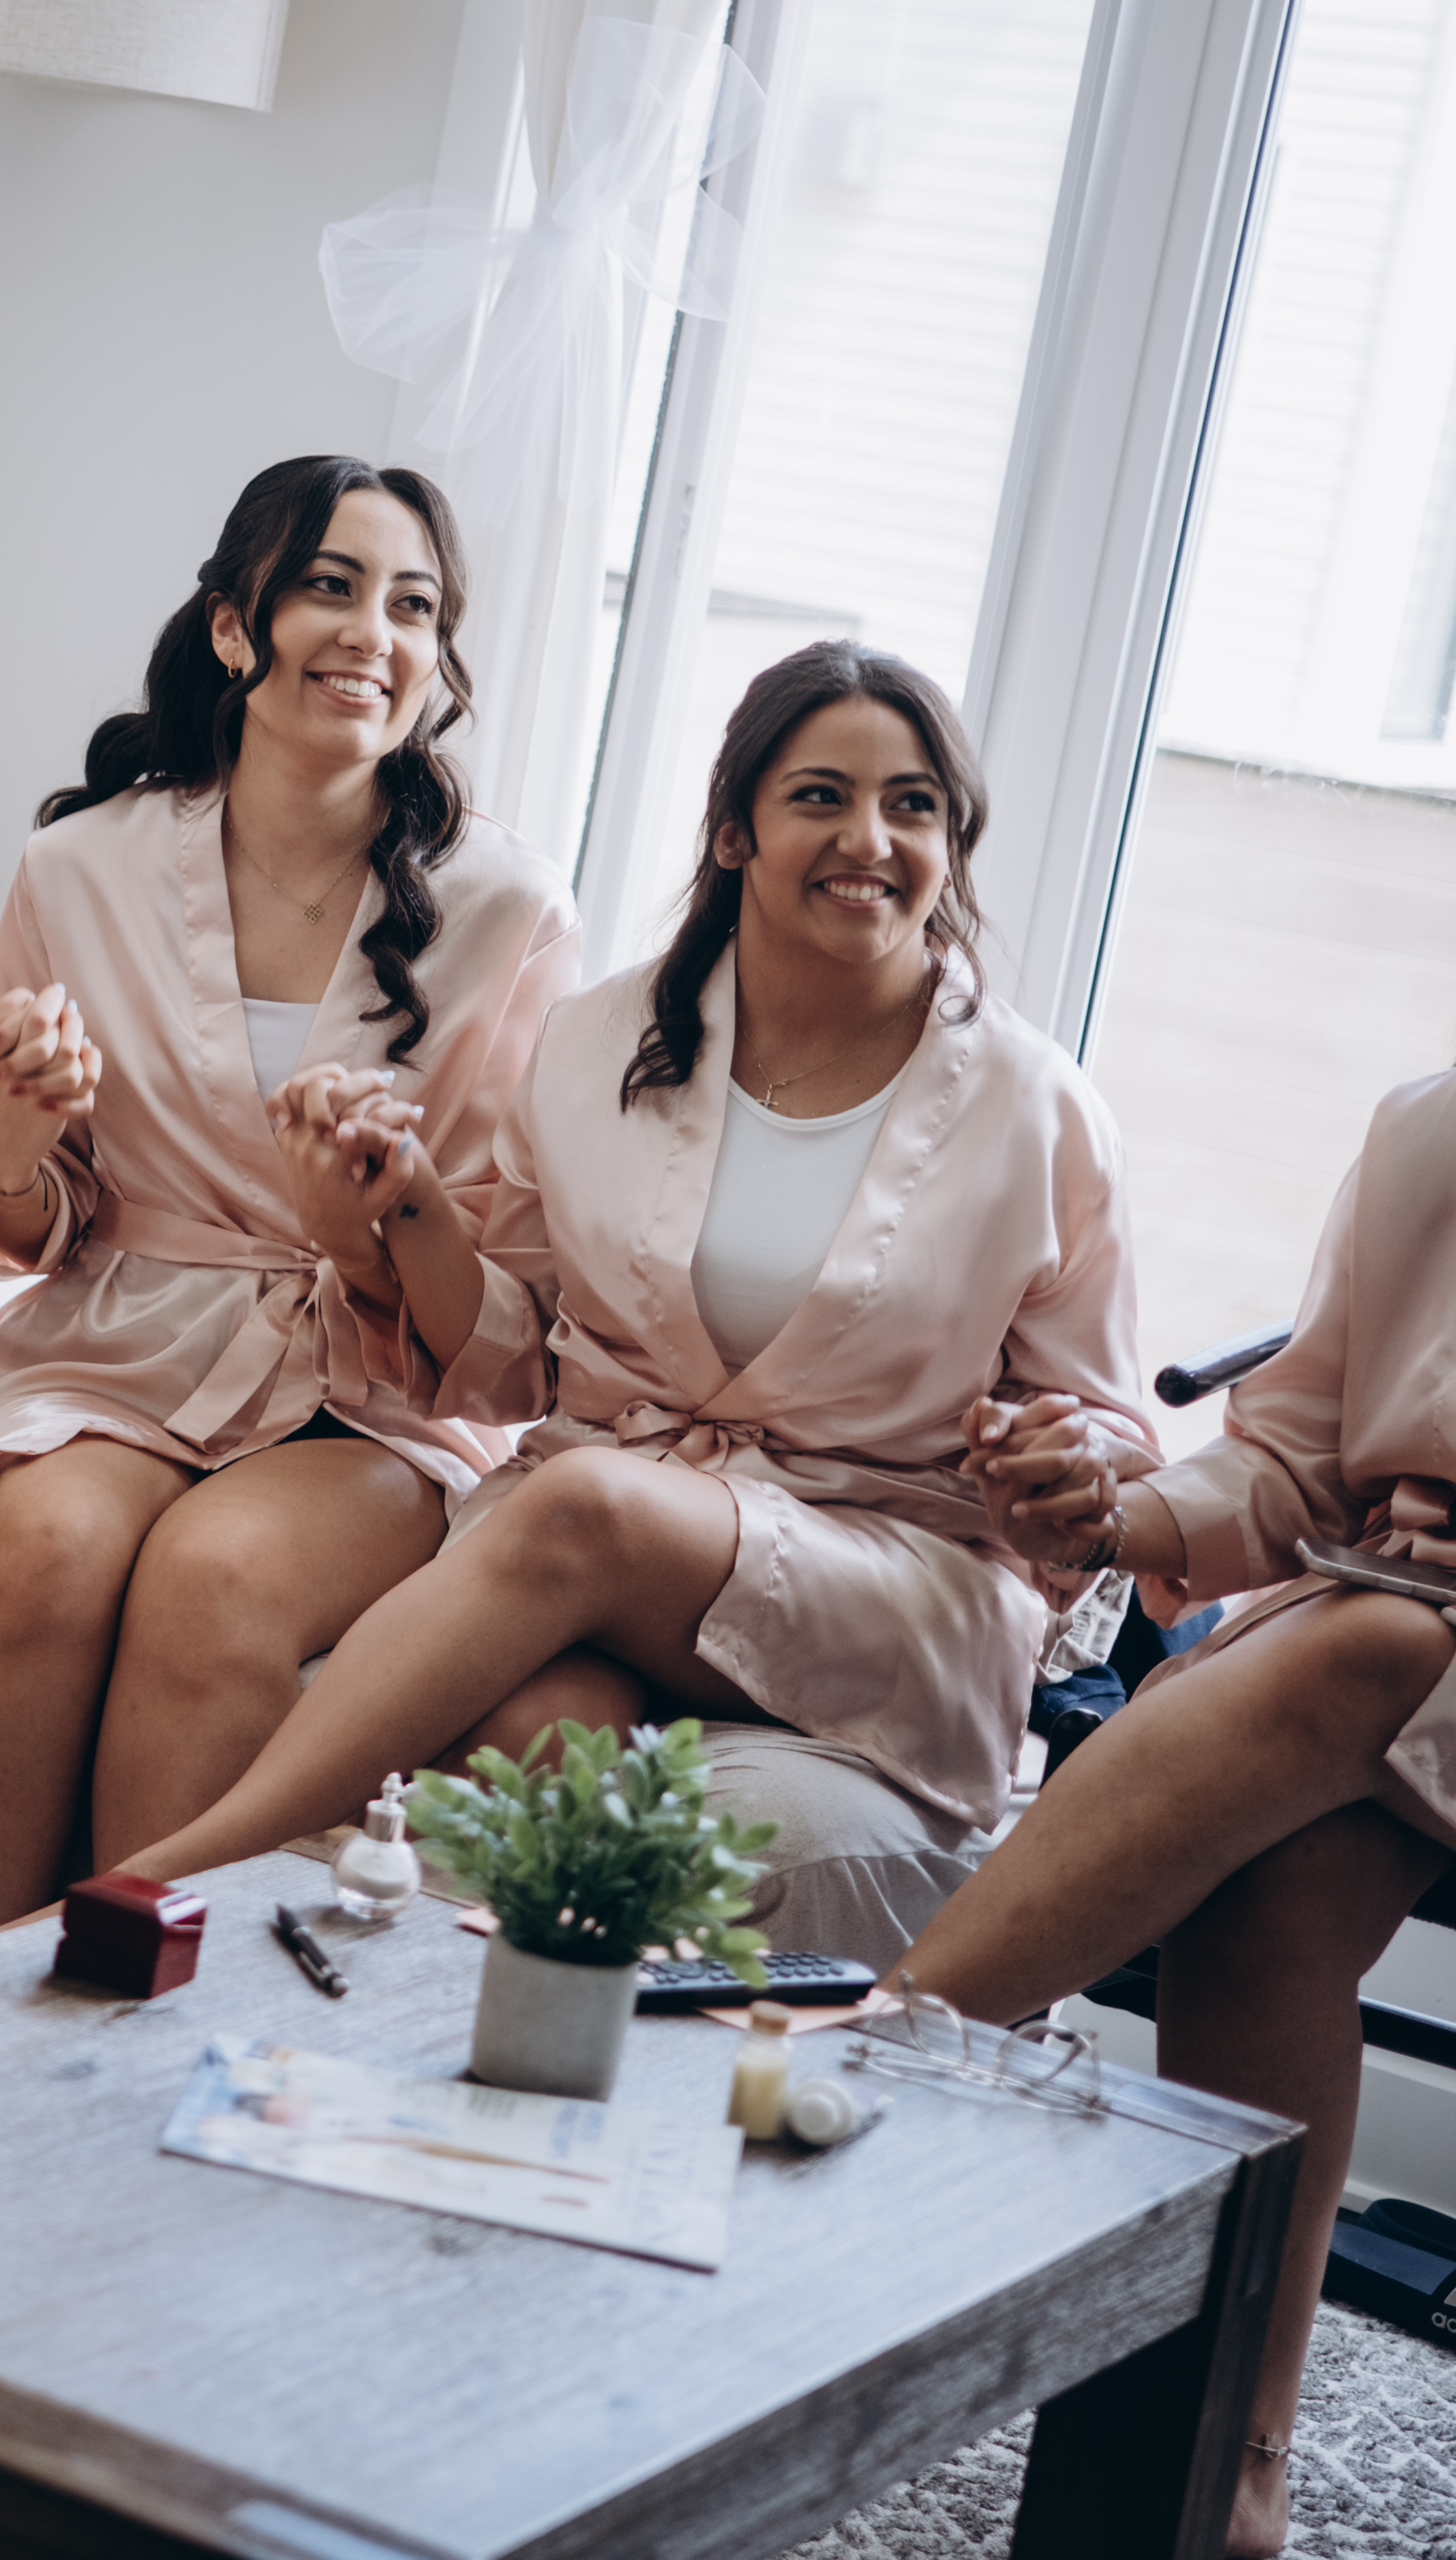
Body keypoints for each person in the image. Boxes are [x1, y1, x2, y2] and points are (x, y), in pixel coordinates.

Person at [896, 696, 1456, 2557]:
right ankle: (1236, 2463)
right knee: (1283, 1878)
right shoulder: (1446, 1128)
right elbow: (1295, 1451)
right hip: (1388, 1661)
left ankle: (889, 2041)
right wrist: (1121, 1515)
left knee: (1363, 1647)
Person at [104, 641, 1151, 1974]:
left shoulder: (1040, 1110)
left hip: (890, 1584)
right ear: (734, 831)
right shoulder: (599, 1043)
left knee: (583, 1502)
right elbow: (511, 1369)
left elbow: (1109, 1437)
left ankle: (164, 1877)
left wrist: (1065, 1462)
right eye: (821, 796)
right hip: (627, 1572)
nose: (871, 840)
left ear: (954, 844)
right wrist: (407, 1202)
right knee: (537, 1726)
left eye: (914, 807)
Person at [0, 455, 564, 1941]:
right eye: (332, 585)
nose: (373, 633)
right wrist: (3, 1141)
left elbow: (511, 1312)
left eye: (415, 605)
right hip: (123, 1340)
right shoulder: (78, 866)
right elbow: (22, 1224)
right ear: (233, 625)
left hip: (377, 1391)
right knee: (42, 1551)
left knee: (217, 1573)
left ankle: (149, 2009)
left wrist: (381, 1224)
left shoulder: (511, 907)